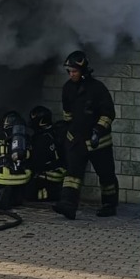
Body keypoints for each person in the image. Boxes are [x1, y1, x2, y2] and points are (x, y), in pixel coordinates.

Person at [53, 50, 118, 219]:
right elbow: (68, 114)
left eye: (74, 71)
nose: (71, 74)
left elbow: (108, 113)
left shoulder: (97, 89)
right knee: (72, 174)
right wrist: (67, 133)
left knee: (106, 175)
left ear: (83, 71)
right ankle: (68, 205)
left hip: (99, 142)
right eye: (69, 71)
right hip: (77, 141)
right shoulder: (67, 88)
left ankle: (109, 205)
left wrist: (98, 130)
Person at [0, 109, 31, 210]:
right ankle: (15, 197)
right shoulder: (25, 137)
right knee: (15, 195)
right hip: (23, 177)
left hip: (3, 177)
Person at [27, 105, 65, 202]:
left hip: (49, 174)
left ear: (41, 121)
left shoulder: (42, 138)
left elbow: (36, 162)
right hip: (60, 171)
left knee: (27, 193)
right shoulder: (54, 132)